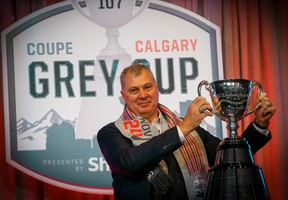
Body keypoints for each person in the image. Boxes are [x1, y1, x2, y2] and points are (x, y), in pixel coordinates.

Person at [97, 63, 276, 200]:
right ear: (123, 96)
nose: (143, 95)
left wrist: (259, 125)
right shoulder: (111, 133)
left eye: (147, 87)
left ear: (157, 89)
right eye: (134, 90)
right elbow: (131, 163)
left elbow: (229, 157)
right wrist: (183, 128)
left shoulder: (189, 128)